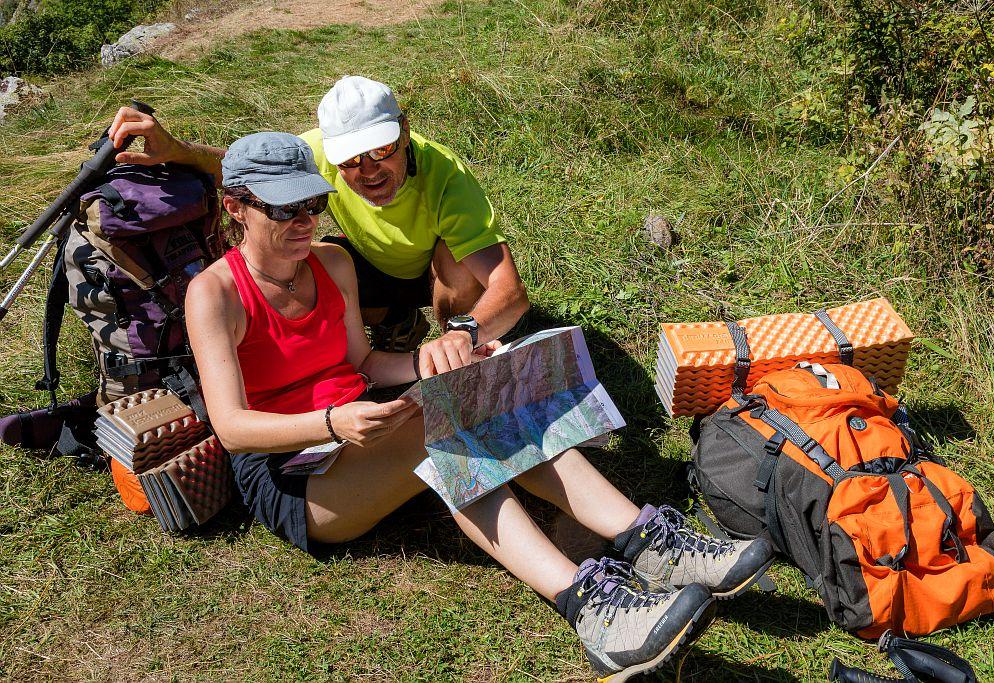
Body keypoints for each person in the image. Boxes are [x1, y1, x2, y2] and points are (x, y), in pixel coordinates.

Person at [184, 132, 773, 682]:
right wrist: (333, 422)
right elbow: (234, 430)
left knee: (477, 392)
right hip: (291, 472)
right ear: (235, 207)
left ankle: (650, 541)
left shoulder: (332, 263)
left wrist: (442, 358)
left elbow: (365, 365)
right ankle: (593, 605)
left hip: (361, 424)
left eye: (311, 204)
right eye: (282, 209)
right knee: (443, 427)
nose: (303, 222)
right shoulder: (213, 293)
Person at [109, 75, 528, 377]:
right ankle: (393, 323)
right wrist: (176, 150)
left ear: (404, 130)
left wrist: (465, 333)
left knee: (457, 261)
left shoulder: (446, 178)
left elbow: (509, 290)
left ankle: (455, 363)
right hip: (364, 265)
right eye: (350, 160)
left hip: (428, 274)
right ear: (332, 152)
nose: (369, 172)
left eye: (380, 149)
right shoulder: (317, 153)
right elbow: (254, 173)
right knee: (308, 256)